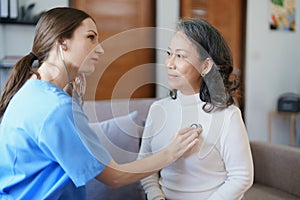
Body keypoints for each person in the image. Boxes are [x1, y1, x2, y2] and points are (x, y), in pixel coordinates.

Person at [0, 7, 201, 199]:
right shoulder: (56, 107)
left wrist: (74, 99)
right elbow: (115, 176)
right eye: (90, 37)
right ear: (63, 42)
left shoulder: (31, 90)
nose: (100, 49)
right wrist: (170, 152)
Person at [138, 18, 253, 200]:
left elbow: (242, 177)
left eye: (180, 56)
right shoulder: (158, 109)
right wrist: (156, 197)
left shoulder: (227, 115)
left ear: (206, 66)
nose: (169, 63)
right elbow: (144, 163)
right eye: (169, 53)